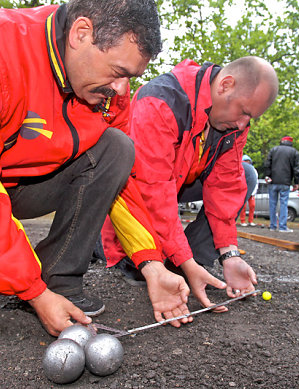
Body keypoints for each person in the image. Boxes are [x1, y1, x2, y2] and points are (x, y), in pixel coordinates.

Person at [0, 0, 190, 339]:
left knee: (118, 147)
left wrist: (151, 265)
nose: (123, 90)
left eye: (131, 78)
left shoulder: (107, 88)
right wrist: (33, 292)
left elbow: (123, 184)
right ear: (82, 33)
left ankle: (59, 278)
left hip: (25, 181)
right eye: (119, 73)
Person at [103, 56, 279, 312]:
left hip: (178, 181)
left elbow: (226, 184)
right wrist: (181, 258)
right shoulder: (161, 101)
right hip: (142, 190)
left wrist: (229, 255)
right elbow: (152, 190)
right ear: (225, 85)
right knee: (132, 245)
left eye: (249, 118)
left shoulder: (233, 122)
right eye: (243, 112)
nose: (242, 125)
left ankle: (188, 263)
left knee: (247, 174)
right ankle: (143, 259)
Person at [264, 136, 299, 232]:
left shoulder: (274, 150)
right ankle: (282, 226)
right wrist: (296, 182)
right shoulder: (294, 152)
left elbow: (267, 164)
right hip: (285, 182)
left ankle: (272, 226)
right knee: (284, 204)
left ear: (281, 141)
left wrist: (268, 176)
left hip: (273, 181)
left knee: (272, 204)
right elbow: (297, 169)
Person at [239, 155, 259, 226]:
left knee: (252, 206)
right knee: (243, 206)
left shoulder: (253, 170)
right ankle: (242, 220)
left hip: (252, 191)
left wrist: (255, 190)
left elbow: (256, 180)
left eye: (248, 161)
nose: (247, 162)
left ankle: (250, 220)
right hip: (244, 190)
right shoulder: (241, 168)